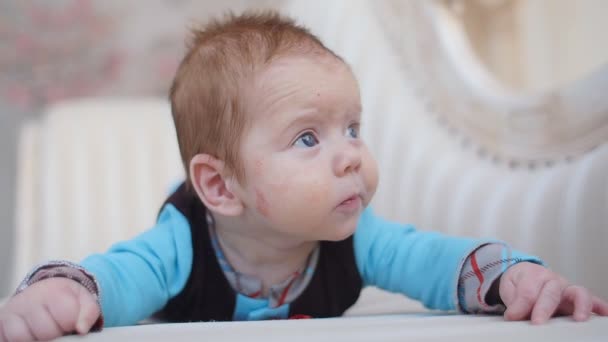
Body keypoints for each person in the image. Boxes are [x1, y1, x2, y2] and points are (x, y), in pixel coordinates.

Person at [1, 11, 607, 342]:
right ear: (220, 187)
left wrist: (513, 277)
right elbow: (117, 278)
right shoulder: (181, 243)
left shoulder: (354, 236)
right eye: (308, 138)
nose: (349, 156)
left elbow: (438, 262)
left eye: (353, 128)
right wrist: (66, 293)